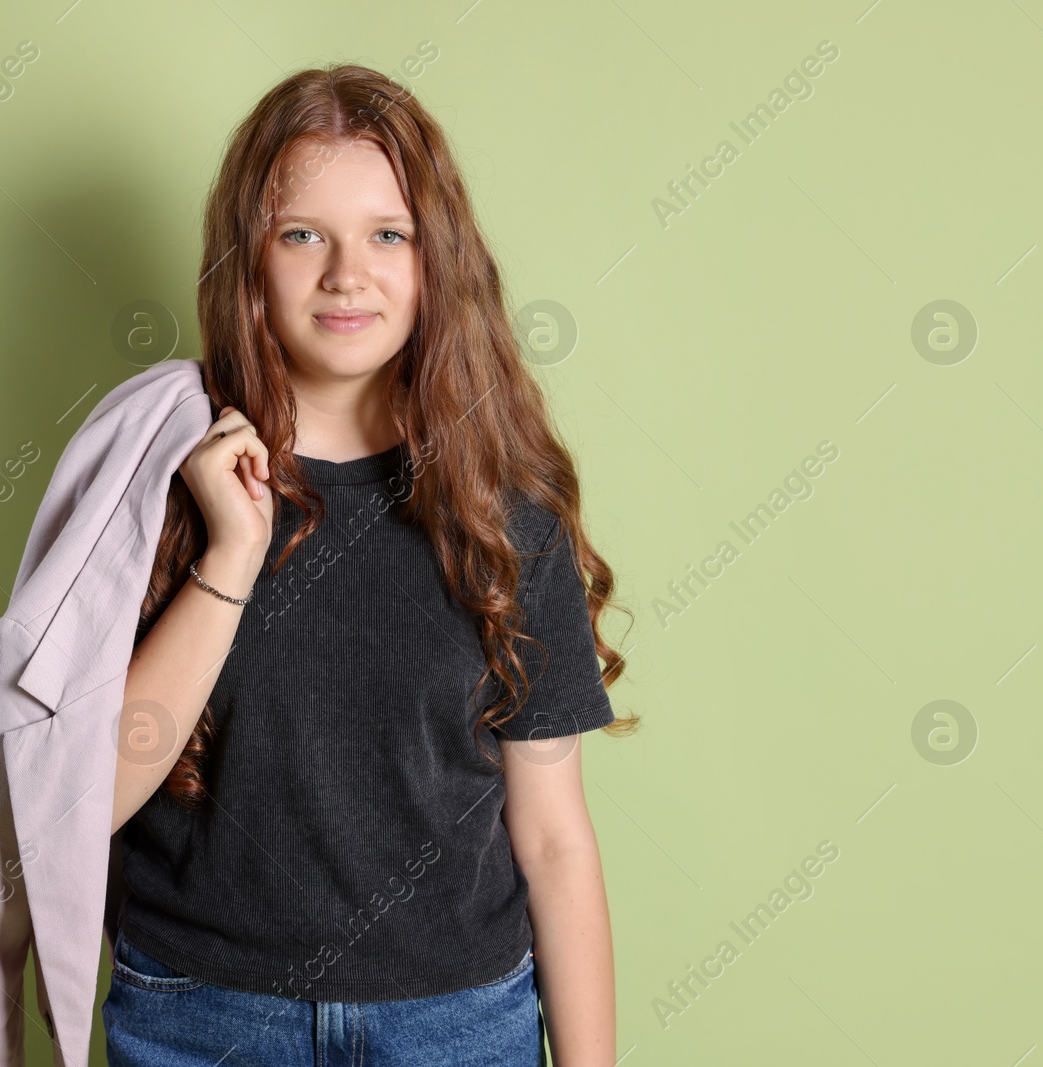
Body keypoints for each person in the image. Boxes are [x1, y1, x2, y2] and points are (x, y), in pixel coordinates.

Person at [101, 62, 638, 1066]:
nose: (347, 274)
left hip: (457, 1022)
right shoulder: (158, 481)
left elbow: (554, 835)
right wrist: (231, 551)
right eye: (302, 234)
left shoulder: (505, 508)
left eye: (387, 234)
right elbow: (85, 792)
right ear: (248, 261)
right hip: (203, 1017)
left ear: (437, 260)